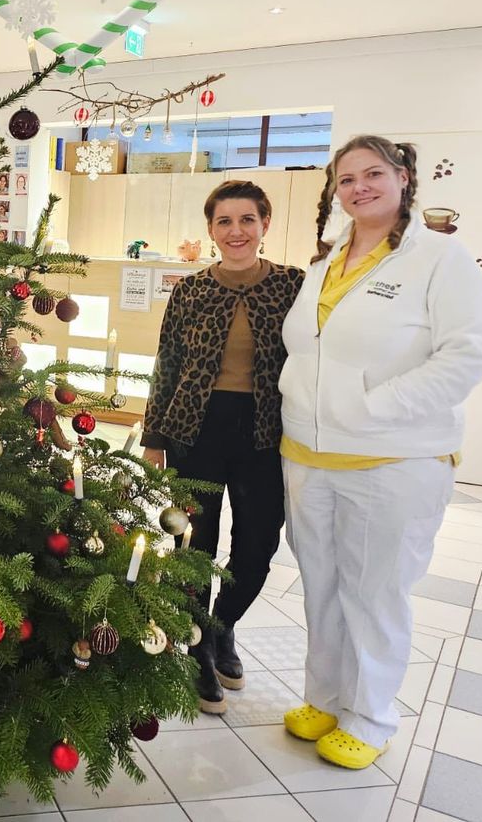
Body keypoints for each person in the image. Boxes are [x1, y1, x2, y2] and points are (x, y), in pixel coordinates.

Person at [278, 136, 482, 768]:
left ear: (403, 178)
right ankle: (326, 696)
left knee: (376, 593)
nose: (359, 187)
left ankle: (370, 717)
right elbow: (308, 353)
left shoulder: (441, 260)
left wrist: (376, 408)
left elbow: (467, 356)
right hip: (309, 455)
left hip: (393, 460)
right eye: (346, 179)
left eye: (373, 174)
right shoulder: (327, 260)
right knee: (321, 586)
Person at [143, 180, 304, 715]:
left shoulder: (291, 286)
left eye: (247, 220)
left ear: (264, 225)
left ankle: (221, 626)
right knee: (195, 546)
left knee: (258, 544)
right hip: (196, 430)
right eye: (224, 222)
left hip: (266, 432)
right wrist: (153, 440)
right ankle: (197, 648)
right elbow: (166, 365)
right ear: (210, 230)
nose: (236, 231)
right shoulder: (190, 290)